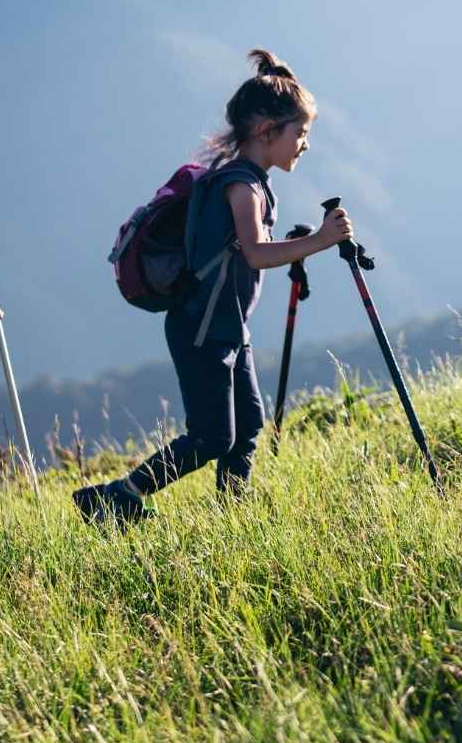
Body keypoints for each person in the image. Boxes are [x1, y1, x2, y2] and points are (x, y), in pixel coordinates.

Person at [74, 48, 352, 525]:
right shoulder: (241, 186)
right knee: (211, 437)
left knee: (246, 429)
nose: (304, 144)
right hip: (203, 330)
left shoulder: (249, 180)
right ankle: (117, 496)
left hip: (224, 327)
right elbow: (255, 253)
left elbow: (248, 248)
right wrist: (322, 242)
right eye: (300, 133)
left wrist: (297, 245)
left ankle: (232, 518)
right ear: (267, 131)